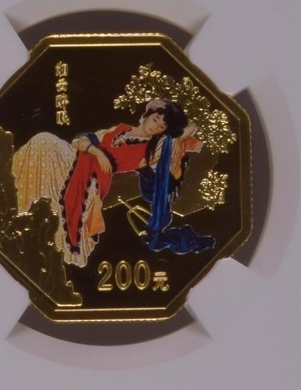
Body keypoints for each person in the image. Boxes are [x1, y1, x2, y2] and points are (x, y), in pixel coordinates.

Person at [12, 99, 214, 266]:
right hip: (79, 158)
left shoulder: (153, 150)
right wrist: (98, 152)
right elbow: (82, 140)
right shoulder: (121, 128)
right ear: (147, 115)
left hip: (96, 177)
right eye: (155, 119)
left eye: (162, 126)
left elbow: (185, 133)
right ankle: (18, 202)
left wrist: (187, 120)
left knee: (44, 142)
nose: (156, 125)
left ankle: (33, 217)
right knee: (43, 140)